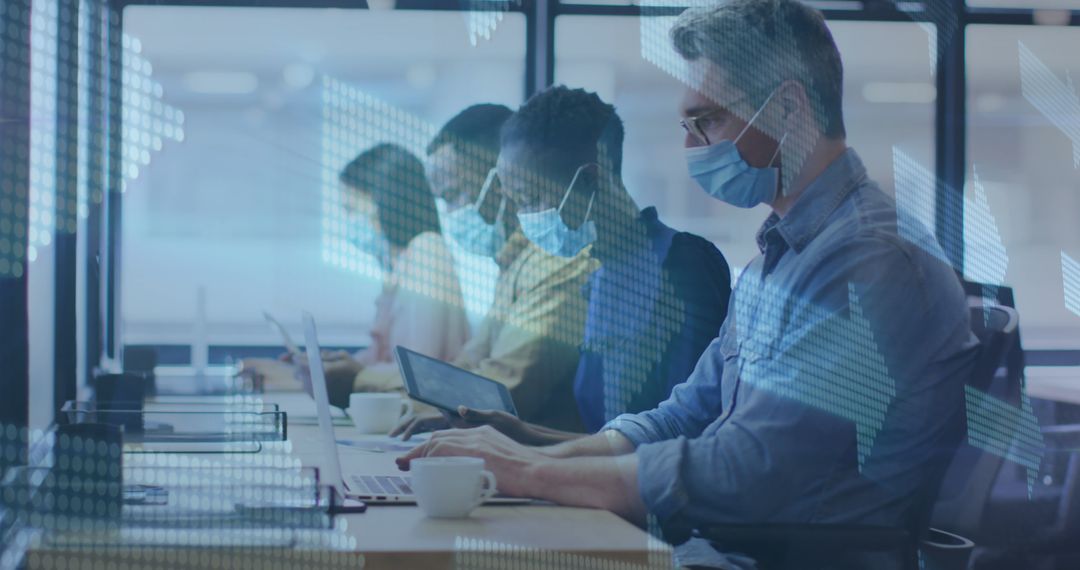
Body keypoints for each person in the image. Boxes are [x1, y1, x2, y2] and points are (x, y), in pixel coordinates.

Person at [397, 0, 977, 559]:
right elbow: (682, 415)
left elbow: (747, 469)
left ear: (790, 109)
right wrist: (529, 444)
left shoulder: (866, 262)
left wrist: (530, 471)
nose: (690, 146)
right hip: (725, 545)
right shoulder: (778, 259)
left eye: (708, 120)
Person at [397, 87, 733, 446]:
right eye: (515, 203)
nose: (523, 218)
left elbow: (681, 433)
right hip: (605, 482)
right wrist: (514, 434)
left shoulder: (682, 265)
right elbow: (605, 438)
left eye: (529, 199)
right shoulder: (599, 275)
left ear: (589, 179)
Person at [362, 104, 595, 432]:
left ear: (502, 180)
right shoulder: (513, 262)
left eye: (455, 194)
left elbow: (502, 390)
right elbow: (466, 369)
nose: (451, 213)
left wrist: (361, 382)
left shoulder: (557, 261)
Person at [242, 144, 470, 408]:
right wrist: (303, 373)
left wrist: (324, 375)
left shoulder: (427, 253)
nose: (349, 225)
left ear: (384, 202)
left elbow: (418, 372)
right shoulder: (402, 265)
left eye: (351, 210)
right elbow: (381, 363)